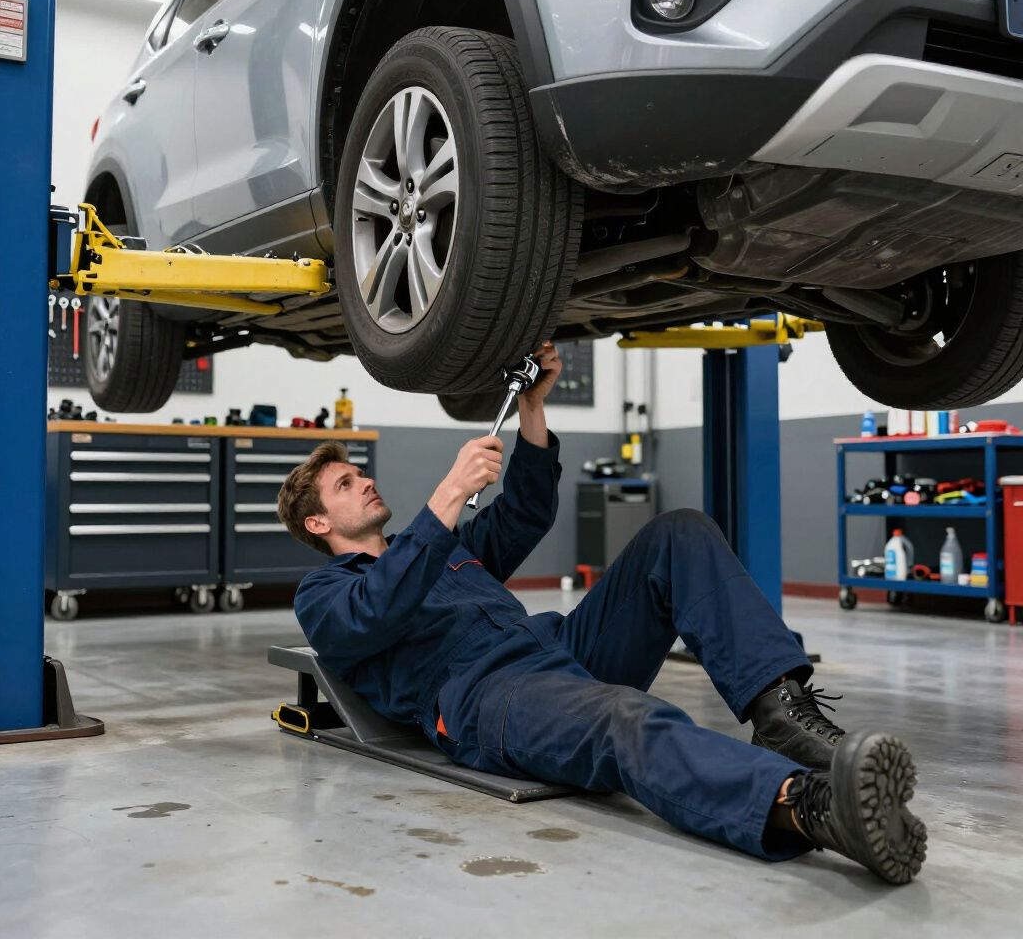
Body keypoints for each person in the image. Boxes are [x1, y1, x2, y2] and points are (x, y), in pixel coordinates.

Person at [277, 342, 926, 885]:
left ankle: (782, 712)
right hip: (489, 702)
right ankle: (809, 807)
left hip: (559, 651)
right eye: (344, 484)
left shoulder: (447, 548)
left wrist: (532, 409)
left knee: (678, 532)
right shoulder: (327, 592)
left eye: (359, 472)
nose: (363, 480)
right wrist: (447, 494)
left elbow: (526, 512)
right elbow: (373, 613)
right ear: (317, 522)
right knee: (623, 719)